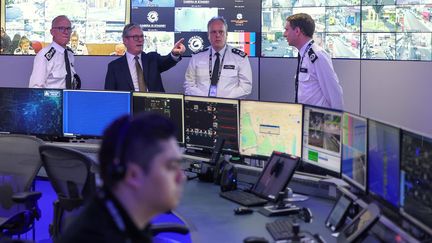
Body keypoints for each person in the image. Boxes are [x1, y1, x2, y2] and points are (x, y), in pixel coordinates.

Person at [58, 113, 186, 243]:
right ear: (133, 175)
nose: (182, 177)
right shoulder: (95, 237)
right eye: (171, 166)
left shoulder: (118, 223)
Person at [284, 13, 343, 110]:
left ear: (297, 31)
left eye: (287, 30)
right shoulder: (304, 54)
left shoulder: (318, 56)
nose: (284, 34)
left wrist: (337, 122)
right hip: (305, 119)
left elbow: (334, 93)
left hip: (318, 121)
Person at [184, 16, 252, 99]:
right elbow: (189, 85)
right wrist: (206, 99)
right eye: (213, 32)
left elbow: (246, 87)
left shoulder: (240, 58)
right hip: (201, 104)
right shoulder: (196, 57)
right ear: (208, 35)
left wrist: (223, 101)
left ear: (226, 34)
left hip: (229, 106)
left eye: (221, 32)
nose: (217, 35)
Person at [104, 23, 186, 92]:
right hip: (129, 108)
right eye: (135, 37)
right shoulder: (114, 67)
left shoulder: (152, 59)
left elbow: (167, 61)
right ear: (125, 40)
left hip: (153, 107)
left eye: (142, 36)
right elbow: (110, 95)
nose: (140, 40)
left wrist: (174, 54)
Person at [28, 15, 81, 89]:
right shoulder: (44, 56)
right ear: (52, 32)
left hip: (69, 98)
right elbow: (36, 88)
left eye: (68, 29)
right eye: (61, 28)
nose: (66, 32)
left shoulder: (69, 54)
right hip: (51, 100)